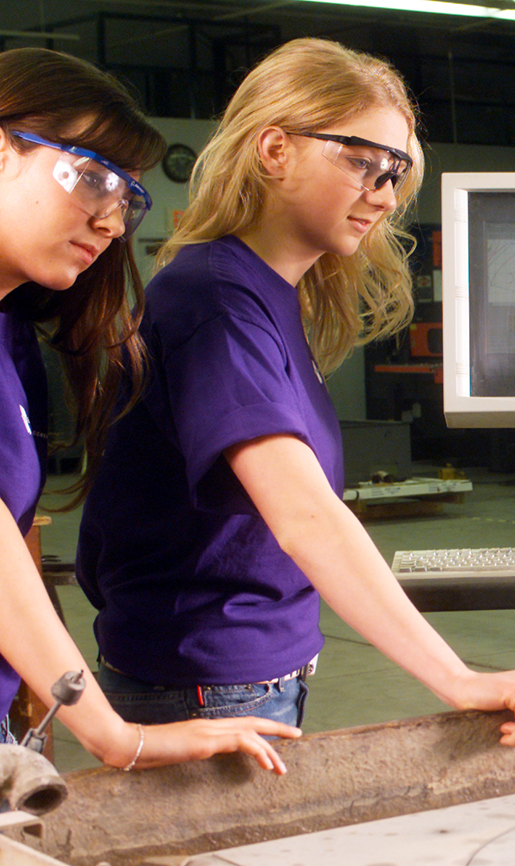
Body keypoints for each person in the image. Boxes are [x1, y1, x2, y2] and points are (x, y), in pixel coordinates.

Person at [77, 39, 515, 746]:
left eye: (396, 171)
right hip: (202, 686)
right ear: (274, 149)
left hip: (235, 675)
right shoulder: (214, 300)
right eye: (360, 159)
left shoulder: (266, 293)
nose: (385, 192)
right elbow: (305, 516)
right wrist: (458, 678)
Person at [0, 48, 298, 771]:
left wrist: (40, 685)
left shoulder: (12, 334)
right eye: (91, 176)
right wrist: (117, 734)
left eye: (126, 196)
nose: (111, 220)